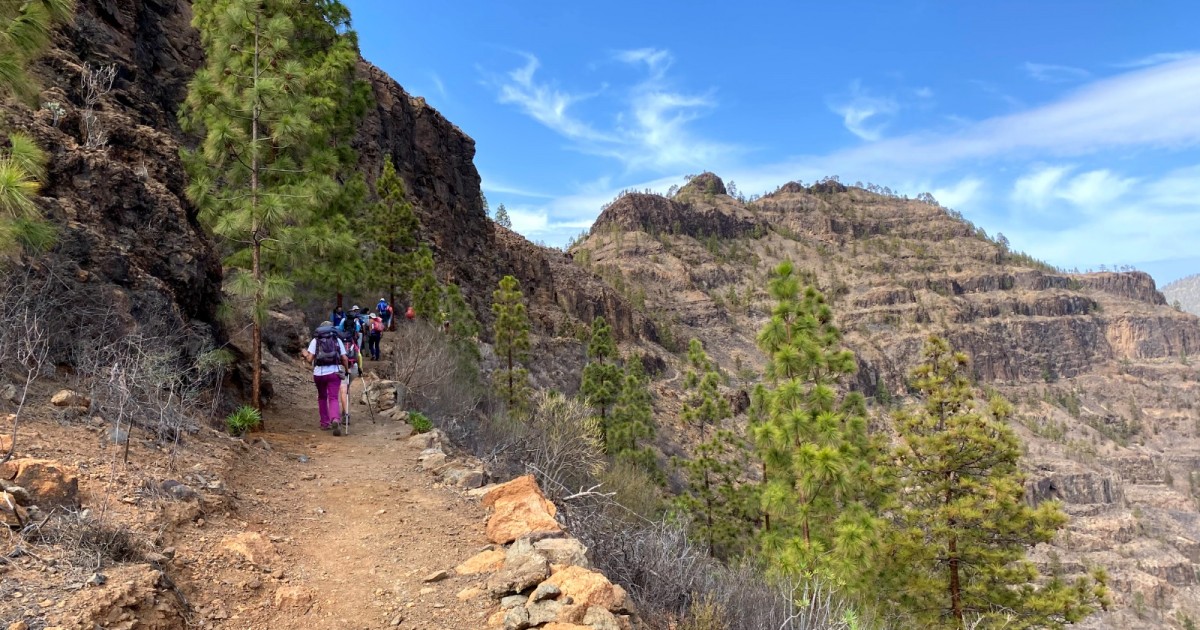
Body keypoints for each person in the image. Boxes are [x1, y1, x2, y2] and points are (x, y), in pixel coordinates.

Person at [301, 321, 348, 436]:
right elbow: (344, 358)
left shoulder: (315, 340)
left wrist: (305, 353)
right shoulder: (337, 339)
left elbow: (310, 359)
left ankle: (324, 423)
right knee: (333, 398)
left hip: (319, 373)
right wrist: (346, 370)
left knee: (322, 397)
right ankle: (335, 419)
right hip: (334, 372)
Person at [337, 327, 361, 426]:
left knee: (343, 390)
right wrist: (360, 368)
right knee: (347, 390)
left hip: (341, 367)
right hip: (353, 367)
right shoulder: (353, 343)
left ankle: (345, 414)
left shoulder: (338, 342)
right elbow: (359, 356)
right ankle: (346, 412)